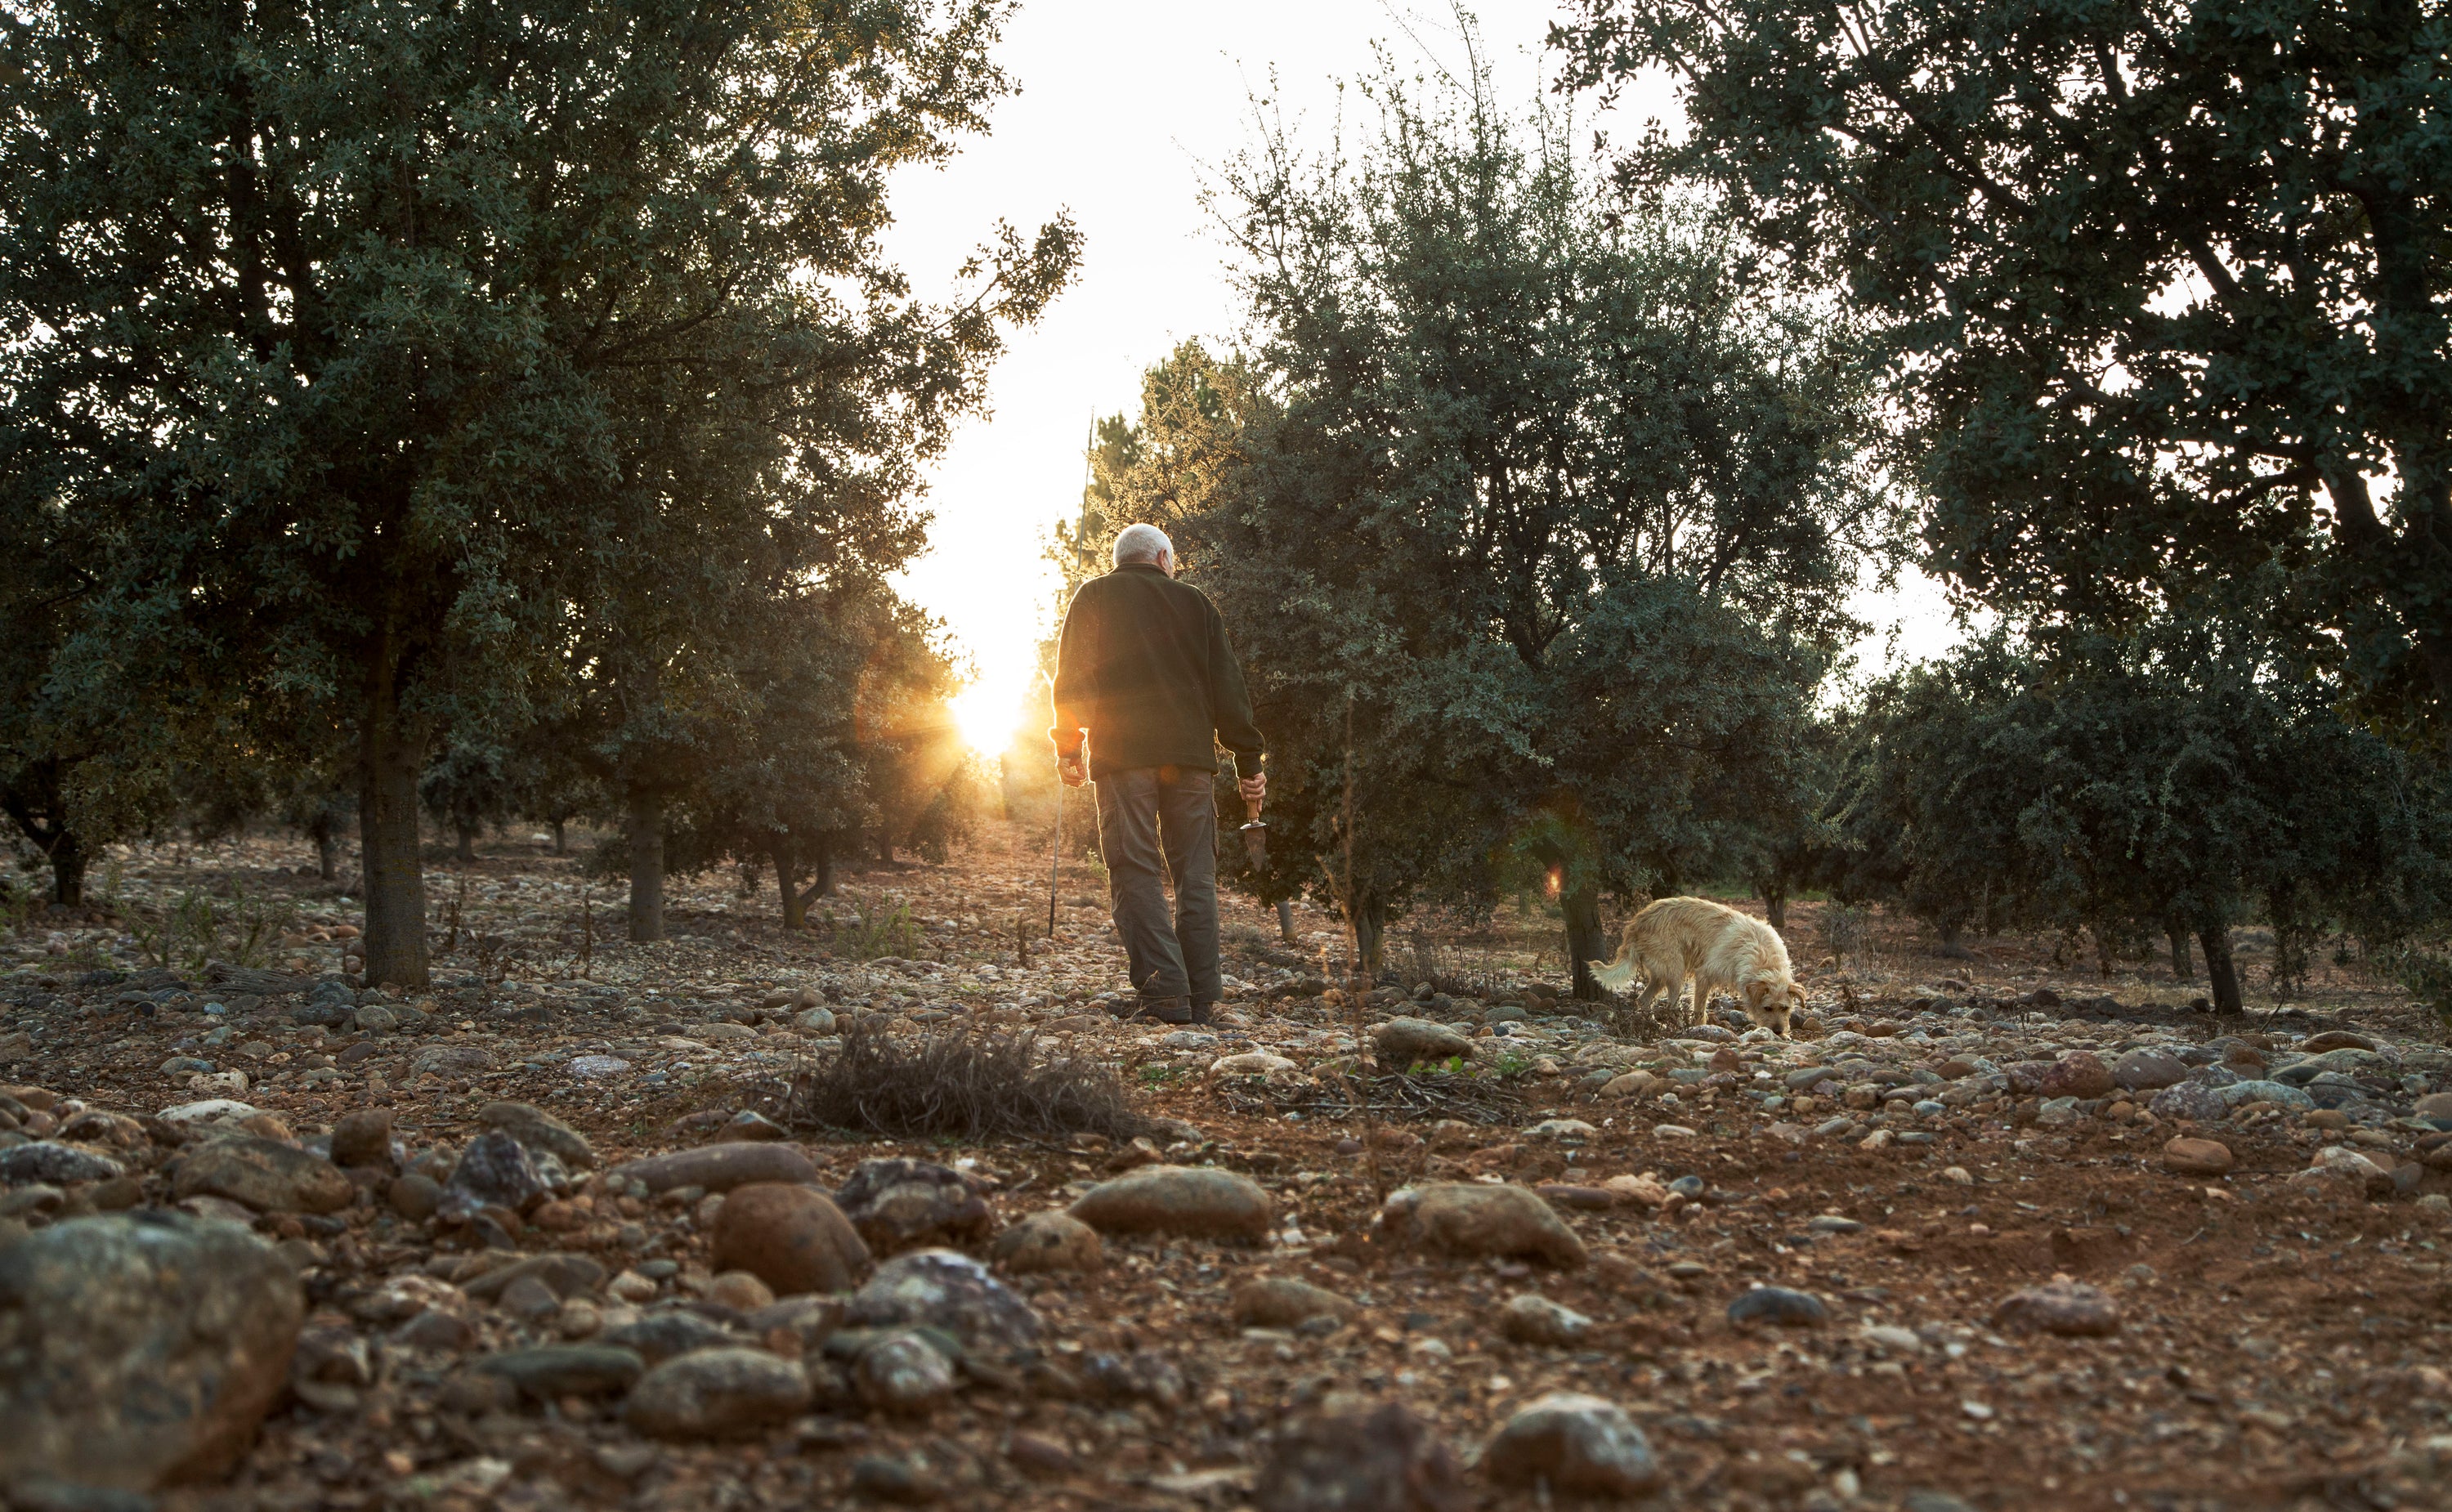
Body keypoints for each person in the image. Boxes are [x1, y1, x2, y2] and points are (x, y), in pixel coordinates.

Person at [1050, 523, 1265, 1025]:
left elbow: (1072, 679)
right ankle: (1204, 996)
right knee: (1197, 874)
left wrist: (1068, 748)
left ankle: (1165, 995)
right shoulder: (1196, 603)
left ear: (1121, 560)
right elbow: (1228, 690)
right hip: (1190, 762)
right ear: (1164, 557)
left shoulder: (1093, 595)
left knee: (1134, 869)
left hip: (1123, 760)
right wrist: (1248, 762)